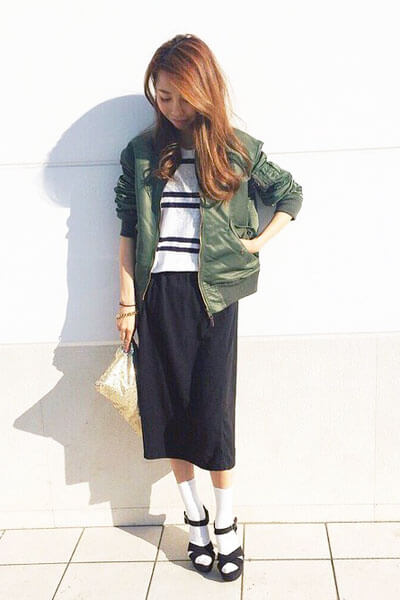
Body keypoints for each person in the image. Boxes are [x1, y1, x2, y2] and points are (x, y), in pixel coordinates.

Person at [113, 33, 303, 582]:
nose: (172, 108)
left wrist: (254, 244)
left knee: (213, 412)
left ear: (205, 90)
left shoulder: (236, 148)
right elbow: (128, 226)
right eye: (162, 97)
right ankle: (193, 518)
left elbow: (290, 195)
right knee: (169, 411)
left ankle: (225, 520)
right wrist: (126, 303)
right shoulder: (142, 152)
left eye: (182, 96)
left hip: (214, 296)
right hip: (157, 296)